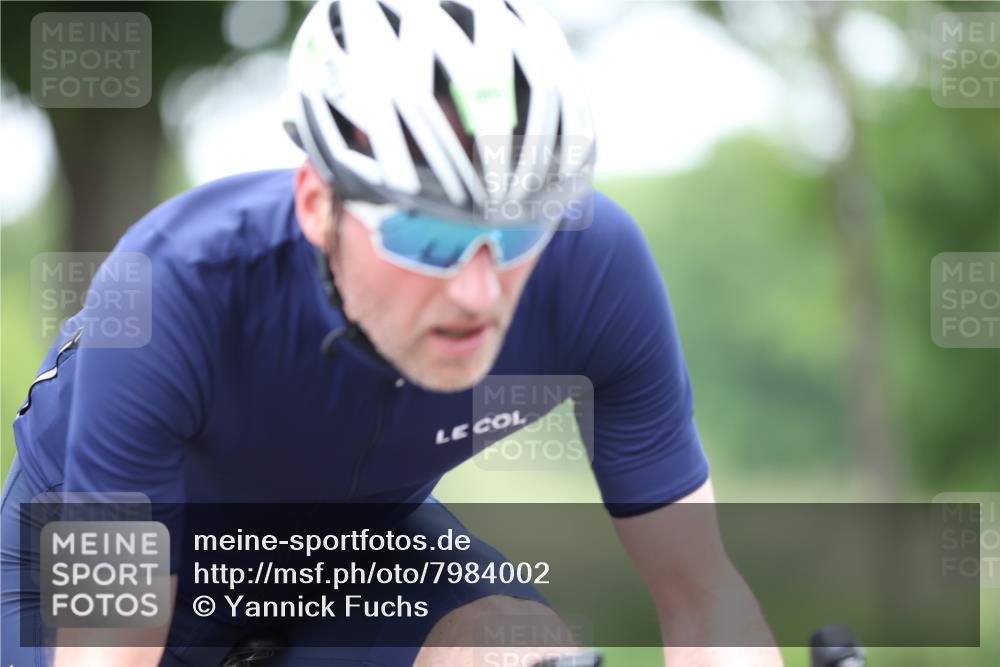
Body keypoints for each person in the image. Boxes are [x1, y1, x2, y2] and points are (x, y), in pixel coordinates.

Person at [1, 1, 783, 665]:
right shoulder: (175, 286)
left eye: (515, 232)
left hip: (358, 550)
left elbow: (701, 591)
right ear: (319, 205)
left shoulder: (592, 268)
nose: (478, 292)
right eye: (428, 236)